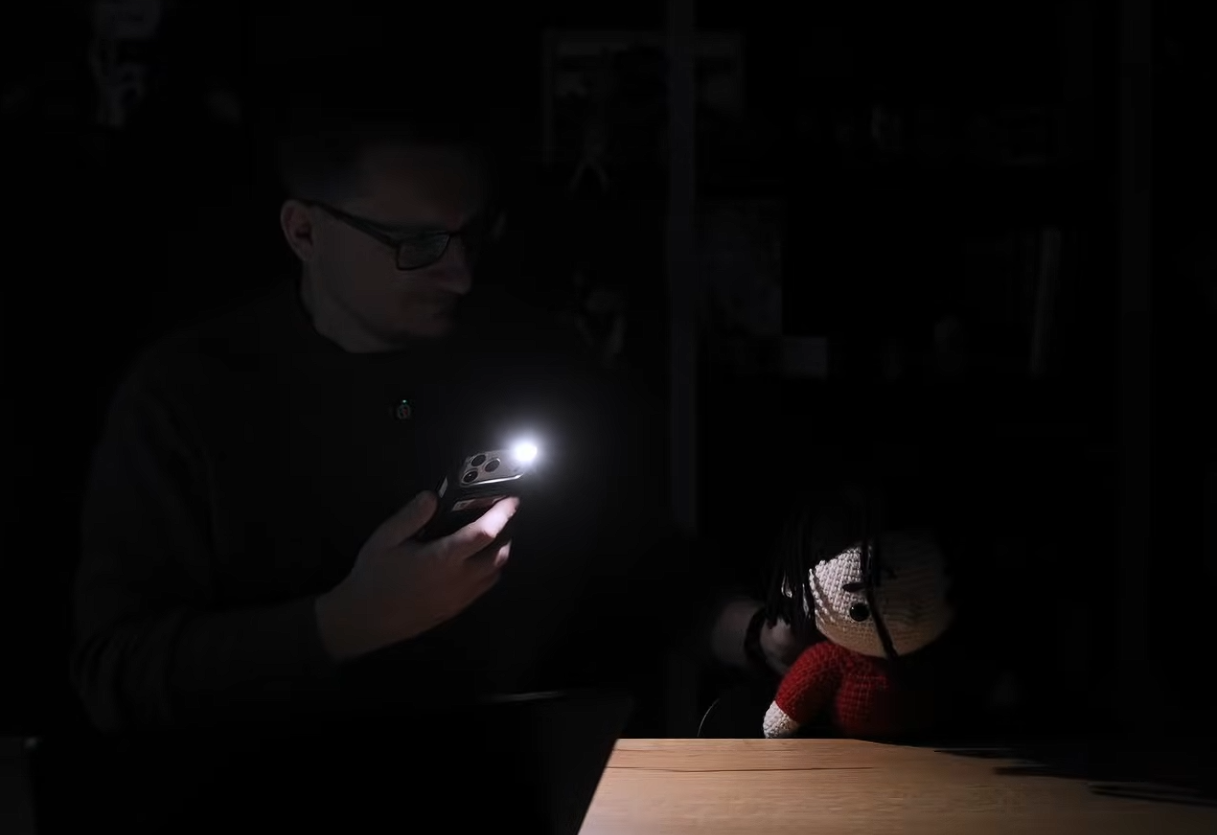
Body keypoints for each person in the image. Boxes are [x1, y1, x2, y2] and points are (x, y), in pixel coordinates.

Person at [69, 60, 797, 735]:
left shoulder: (534, 363)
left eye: (471, 234)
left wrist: (755, 634)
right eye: (417, 244)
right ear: (305, 232)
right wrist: (344, 623)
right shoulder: (186, 397)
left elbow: (643, 568)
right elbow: (116, 673)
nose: (461, 275)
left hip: (521, 790)